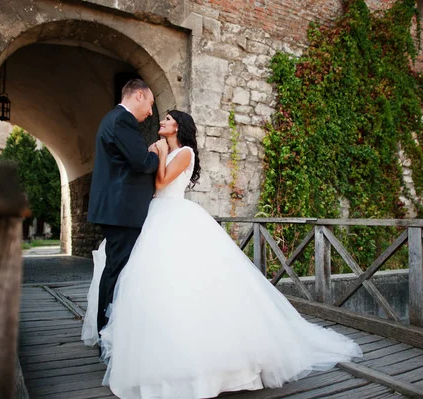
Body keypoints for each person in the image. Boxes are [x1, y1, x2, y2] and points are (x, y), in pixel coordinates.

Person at [82, 110, 362, 399]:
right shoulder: (164, 148)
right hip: (154, 215)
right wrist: (156, 154)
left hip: (174, 215)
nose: (161, 123)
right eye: (162, 120)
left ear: (179, 127)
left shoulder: (185, 152)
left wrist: (161, 152)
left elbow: (160, 183)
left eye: (167, 120)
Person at [85, 79, 159, 341]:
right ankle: (107, 334)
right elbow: (141, 162)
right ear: (138, 96)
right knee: (117, 271)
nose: (151, 112)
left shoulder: (113, 119)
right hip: (122, 211)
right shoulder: (122, 120)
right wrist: (156, 154)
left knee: (116, 269)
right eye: (150, 103)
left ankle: (112, 331)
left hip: (120, 210)